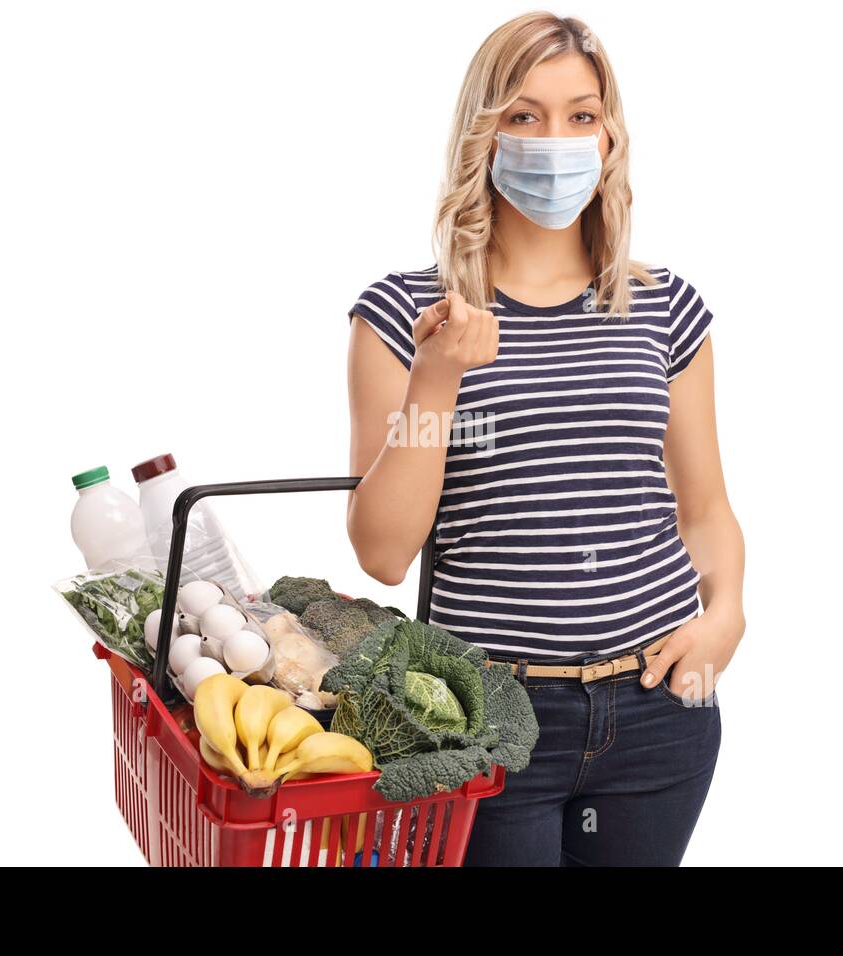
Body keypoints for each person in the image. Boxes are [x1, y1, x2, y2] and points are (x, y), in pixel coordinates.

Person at [344, 12, 746, 867]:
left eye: (580, 114)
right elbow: (382, 551)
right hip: (486, 720)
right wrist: (439, 377)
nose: (554, 139)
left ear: (610, 135)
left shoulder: (665, 308)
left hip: (660, 712)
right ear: (482, 135)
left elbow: (705, 509)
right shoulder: (399, 318)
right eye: (523, 116)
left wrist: (726, 618)